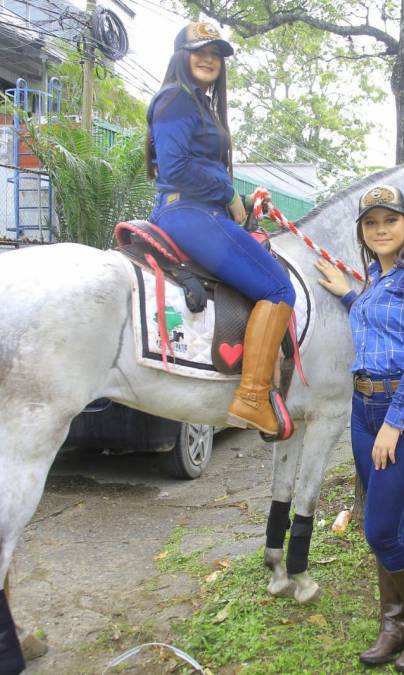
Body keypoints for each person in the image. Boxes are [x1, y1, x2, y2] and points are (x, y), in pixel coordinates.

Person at [315, 184, 404, 671]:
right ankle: (393, 623)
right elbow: (380, 326)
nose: (380, 230)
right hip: (364, 408)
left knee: (380, 531)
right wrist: (350, 293)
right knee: (384, 524)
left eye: (389, 220)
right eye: (371, 223)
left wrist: (395, 424)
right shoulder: (377, 276)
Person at [145, 22, 295, 440]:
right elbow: (175, 169)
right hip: (190, 214)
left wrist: (241, 204)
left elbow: (200, 168)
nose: (210, 58)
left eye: (217, 52)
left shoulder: (196, 102)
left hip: (199, 211)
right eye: (200, 50)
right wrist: (229, 193)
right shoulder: (176, 98)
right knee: (280, 289)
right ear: (181, 55)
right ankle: (252, 396)